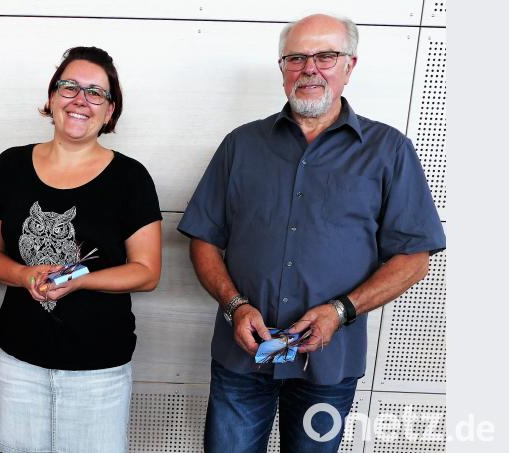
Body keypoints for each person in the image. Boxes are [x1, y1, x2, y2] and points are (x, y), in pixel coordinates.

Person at [178, 14, 446, 452]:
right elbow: (204, 238)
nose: (310, 68)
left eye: (325, 56)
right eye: (297, 57)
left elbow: (414, 259)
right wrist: (235, 306)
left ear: (349, 66)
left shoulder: (388, 150)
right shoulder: (241, 145)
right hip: (242, 359)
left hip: (329, 364)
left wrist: (340, 311)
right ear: (282, 68)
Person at [0, 46, 162, 452]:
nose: (81, 100)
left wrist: (79, 281)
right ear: (51, 98)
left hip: (99, 366)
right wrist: (25, 274)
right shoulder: (10, 166)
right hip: (19, 357)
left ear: (110, 111)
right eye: (69, 87)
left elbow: (147, 271)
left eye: (96, 93)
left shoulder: (131, 178)